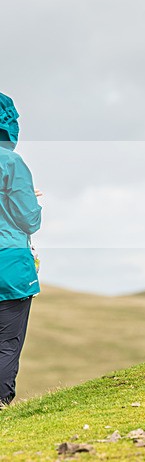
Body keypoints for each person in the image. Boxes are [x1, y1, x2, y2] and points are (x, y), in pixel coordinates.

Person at [0, 92, 42, 407]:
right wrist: (30, 198)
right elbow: (29, 220)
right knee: (6, 342)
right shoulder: (11, 162)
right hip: (9, 262)